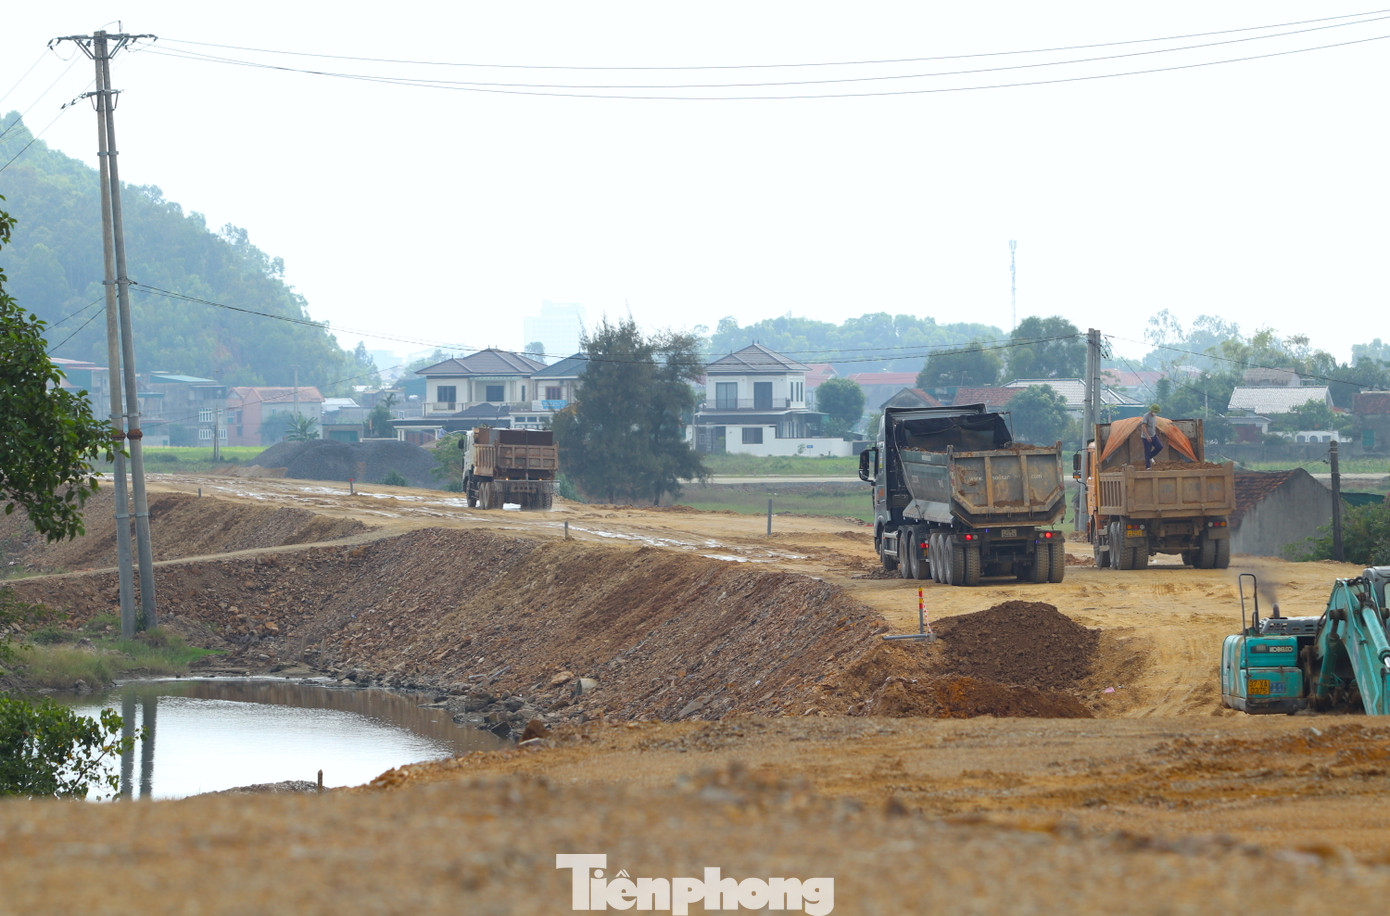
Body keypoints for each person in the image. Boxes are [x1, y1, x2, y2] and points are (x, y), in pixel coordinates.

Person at [1141, 404, 1163, 469]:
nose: (1155, 413)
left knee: (1160, 446)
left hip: (1153, 435)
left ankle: (1150, 456)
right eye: (1154, 411)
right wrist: (1147, 436)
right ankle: (1148, 466)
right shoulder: (1146, 416)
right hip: (1146, 437)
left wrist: (1154, 434)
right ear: (1151, 410)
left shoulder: (1154, 416)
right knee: (1147, 450)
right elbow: (1143, 426)